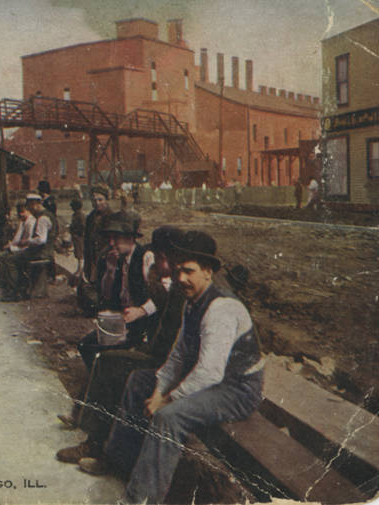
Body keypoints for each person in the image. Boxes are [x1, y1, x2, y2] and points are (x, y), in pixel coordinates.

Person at [80, 230, 263, 504]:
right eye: (178, 271)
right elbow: (178, 357)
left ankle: (141, 499)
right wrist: (158, 390)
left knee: (169, 418)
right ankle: (119, 462)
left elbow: (210, 372)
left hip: (237, 390)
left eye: (189, 271)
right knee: (139, 381)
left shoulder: (221, 308)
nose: (181, 278)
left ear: (208, 272)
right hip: (213, 381)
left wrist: (166, 400)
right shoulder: (193, 303)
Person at [56, 225, 184, 465]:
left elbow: (165, 318)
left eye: (158, 258)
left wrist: (144, 312)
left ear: (166, 257)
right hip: (159, 352)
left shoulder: (175, 282)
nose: (112, 243)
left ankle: (97, 445)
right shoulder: (171, 281)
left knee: (111, 364)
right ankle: (92, 435)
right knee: (106, 360)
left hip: (164, 357)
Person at [77, 210, 157, 371]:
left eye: (116, 238)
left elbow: (162, 296)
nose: (111, 243)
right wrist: (110, 269)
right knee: (85, 345)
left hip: (143, 325)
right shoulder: (116, 258)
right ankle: (99, 378)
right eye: (109, 238)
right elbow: (106, 295)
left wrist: (141, 310)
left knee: (110, 354)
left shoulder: (145, 257)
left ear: (130, 238)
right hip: (121, 321)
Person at [0, 194, 56, 301]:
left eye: (30, 207)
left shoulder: (43, 218)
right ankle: (21, 288)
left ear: (35, 204)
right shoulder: (48, 215)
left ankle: (14, 292)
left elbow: (41, 239)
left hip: (41, 252)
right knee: (16, 257)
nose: (30, 210)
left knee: (11, 260)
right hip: (44, 251)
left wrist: (27, 241)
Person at [0, 202, 35, 287]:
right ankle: (3, 281)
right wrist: (11, 245)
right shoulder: (23, 222)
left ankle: (13, 285)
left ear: (28, 211)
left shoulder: (31, 222)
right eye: (19, 212)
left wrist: (16, 245)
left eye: (23, 212)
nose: (21, 214)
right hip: (18, 247)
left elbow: (29, 240)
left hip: (26, 249)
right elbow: (17, 238)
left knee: (8, 259)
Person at [83, 185, 112, 282]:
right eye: (94, 200)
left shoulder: (112, 217)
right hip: (92, 258)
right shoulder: (90, 218)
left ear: (106, 200)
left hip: (106, 258)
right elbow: (86, 240)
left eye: (100, 200)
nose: (97, 203)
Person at [69, 198, 85, 276]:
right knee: (78, 253)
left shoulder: (80, 215)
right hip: (76, 237)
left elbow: (83, 227)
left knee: (80, 254)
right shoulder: (75, 214)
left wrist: (75, 231)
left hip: (79, 237)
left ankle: (81, 270)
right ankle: (79, 269)